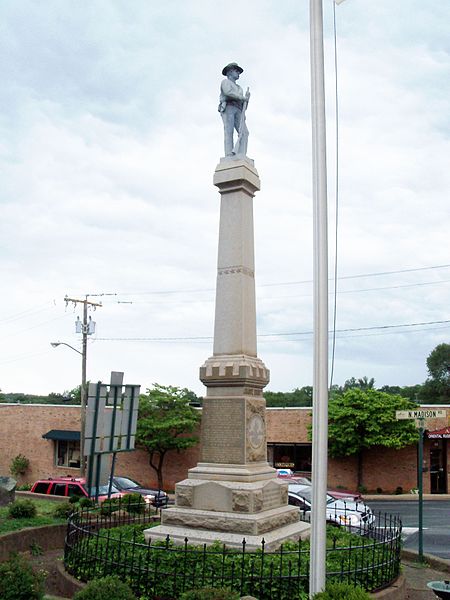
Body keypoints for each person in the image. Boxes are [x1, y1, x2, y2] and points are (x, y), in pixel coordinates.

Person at [219, 62, 250, 157]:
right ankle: (229, 153)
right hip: (228, 107)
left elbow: (243, 104)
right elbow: (228, 92)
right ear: (230, 72)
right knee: (229, 131)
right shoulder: (225, 82)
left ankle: (241, 154)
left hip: (238, 109)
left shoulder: (239, 88)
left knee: (244, 132)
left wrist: (246, 100)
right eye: (236, 70)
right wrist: (242, 98)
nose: (238, 73)